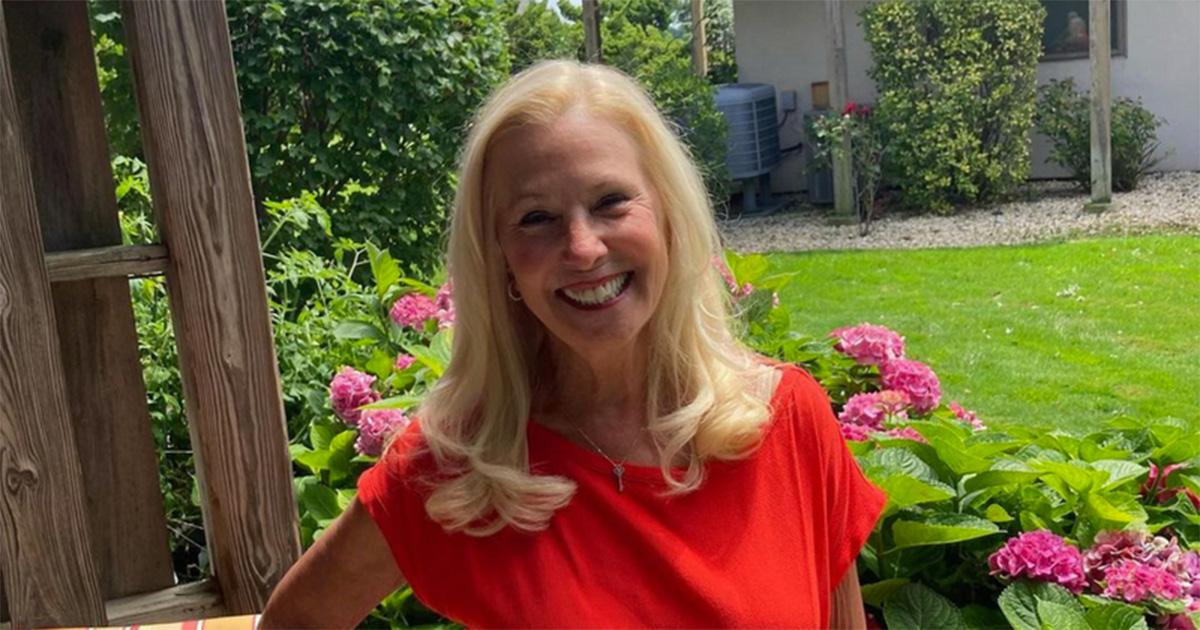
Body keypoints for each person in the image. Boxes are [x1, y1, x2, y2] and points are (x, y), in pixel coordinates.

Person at [261, 60, 886, 629]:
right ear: (499, 257)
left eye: (611, 201)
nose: (583, 248)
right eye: (536, 218)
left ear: (668, 215)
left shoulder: (786, 421)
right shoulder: (460, 465)